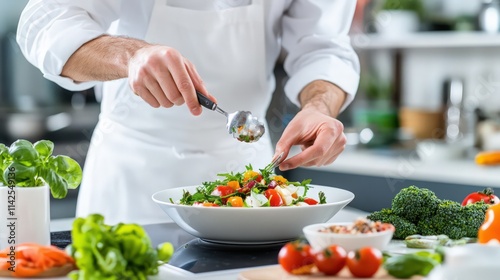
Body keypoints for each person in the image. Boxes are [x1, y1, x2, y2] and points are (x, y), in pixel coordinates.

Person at [17, 0, 360, 224]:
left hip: (247, 176)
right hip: (132, 176)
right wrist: (130, 55)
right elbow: (45, 20)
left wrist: (319, 106)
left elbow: (323, 45)